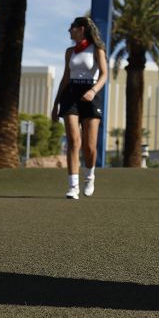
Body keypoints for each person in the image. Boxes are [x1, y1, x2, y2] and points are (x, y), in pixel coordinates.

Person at [51, 16, 108, 200]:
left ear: (81, 28)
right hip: (71, 94)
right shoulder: (69, 52)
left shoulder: (97, 49)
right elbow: (65, 78)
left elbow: (105, 75)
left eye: (72, 27)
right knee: (73, 142)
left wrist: (93, 91)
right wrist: (56, 103)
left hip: (90, 93)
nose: (69, 31)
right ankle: (73, 186)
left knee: (90, 145)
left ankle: (90, 177)